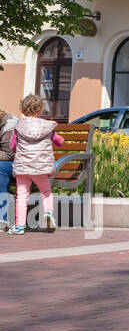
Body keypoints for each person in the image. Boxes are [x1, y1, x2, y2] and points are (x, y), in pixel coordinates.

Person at [8, 94, 63, 235]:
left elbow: (13, 145)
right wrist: (58, 139)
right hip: (40, 168)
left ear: (23, 109)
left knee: (22, 195)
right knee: (45, 191)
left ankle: (19, 226)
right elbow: (58, 141)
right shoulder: (47, 127)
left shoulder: (18, 126)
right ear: (40, 110)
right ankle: (49, 214)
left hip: (23, 167)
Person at [0, 106, 15, 230]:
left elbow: (9, 154)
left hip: (16, 163)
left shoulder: (10, 125)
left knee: (0, 168)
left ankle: (2, 218)